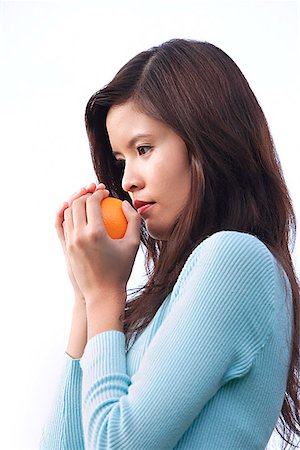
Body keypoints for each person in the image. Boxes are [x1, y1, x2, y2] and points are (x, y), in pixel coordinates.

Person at [40, 38, 300, 450]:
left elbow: (117, 444)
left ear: (209, 141)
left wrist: (105, 295)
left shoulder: (236, 260)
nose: (126, 182)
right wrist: (85, 297)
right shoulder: (162, 304)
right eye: (122, 160)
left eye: (144, 148)